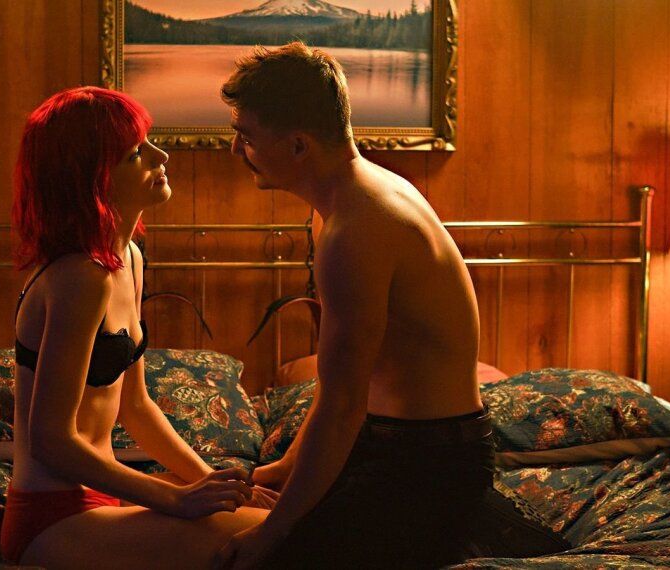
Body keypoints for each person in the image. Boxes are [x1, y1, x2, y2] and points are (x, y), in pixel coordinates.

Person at [213, 42, 571, 569]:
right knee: (232, 511)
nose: (235, 151)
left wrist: (274, 531)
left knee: (267, 555)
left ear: (298, 145)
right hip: (384, 443)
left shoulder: (357, 228)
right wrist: (283, 469)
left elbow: (342, 405)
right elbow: (339, 390)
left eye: (246, 137)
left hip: (428, 465)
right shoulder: (346, 201)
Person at [2, 86, 272, 569]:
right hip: (51, 518)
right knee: (276, 539)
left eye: (148, 142)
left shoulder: (128, 258)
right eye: (135, 154)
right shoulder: (80, 278)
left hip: (101, 502)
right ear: (93, 180)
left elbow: (136, 406)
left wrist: (218, 487)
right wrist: (174, 499)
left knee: (277, 521)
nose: (160, 156)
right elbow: (49, 439)